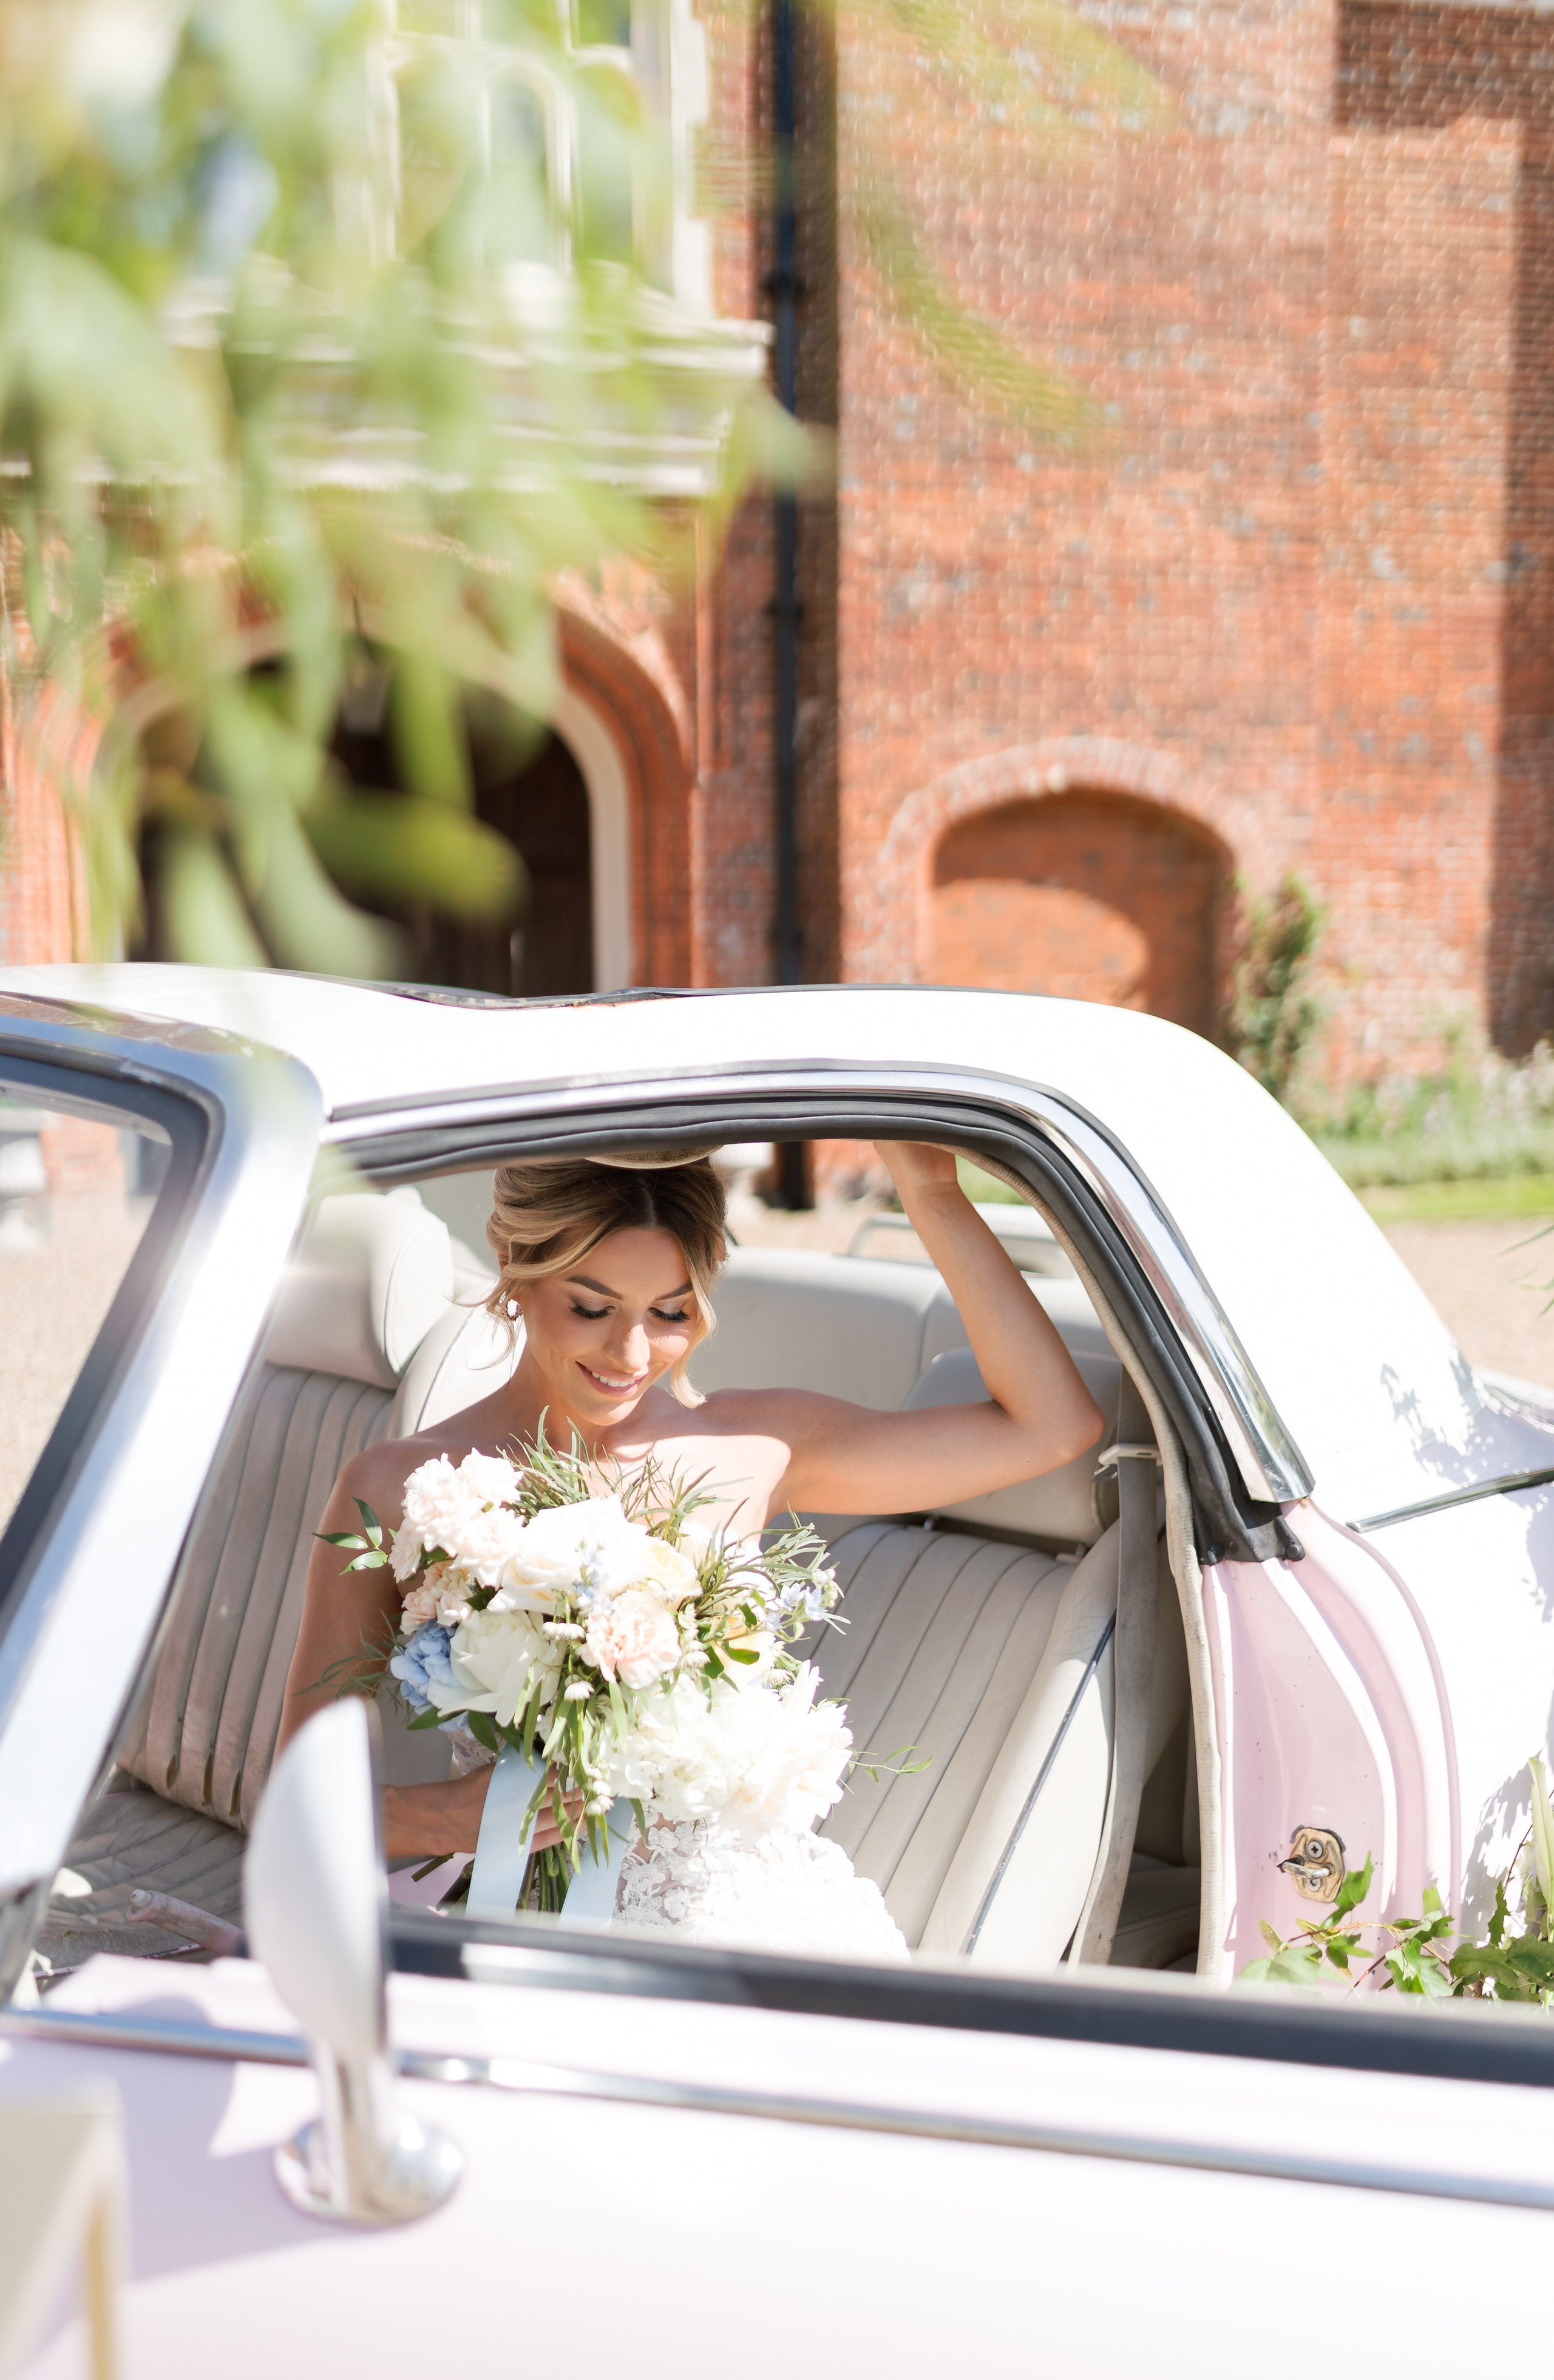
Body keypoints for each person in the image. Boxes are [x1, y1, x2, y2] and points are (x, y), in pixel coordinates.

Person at [278, 1142, 1104, 1956]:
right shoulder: (403, 1487)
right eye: (592, 1307)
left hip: (748, 1925)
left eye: (670, 1314)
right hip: (519, 1916)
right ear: (514, 1268)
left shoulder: (755, 1444)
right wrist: (445, 1817)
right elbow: (297, 1802)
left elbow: (1052, 1427)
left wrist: (932, 1192)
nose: (631, 1355)